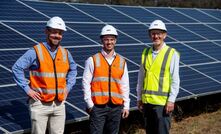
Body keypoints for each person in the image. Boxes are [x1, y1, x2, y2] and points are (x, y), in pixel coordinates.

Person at [12, 16, 77, 134]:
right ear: (46, 31)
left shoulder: (65, 53)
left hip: (59, 104)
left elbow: (74, 69)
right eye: (54, 32)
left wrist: (67, 88)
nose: (57, 35)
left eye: (60, 33)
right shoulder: (35, 51)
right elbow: (17, 68)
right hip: (40, 104)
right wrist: (27, 89)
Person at [82, 25, 130, 134]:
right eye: (106, 39)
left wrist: (126, 105)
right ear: (102, 40)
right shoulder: (92, 60)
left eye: (112, 39)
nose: (109, 42)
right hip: (98, 107)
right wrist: (90, 104)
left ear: (115, 41)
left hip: (116, 107)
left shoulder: (122, 61)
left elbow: (125, 85)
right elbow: (85, 83)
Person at [136, 20, 180, 134]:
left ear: (164, 35)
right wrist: (139, 98)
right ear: (150, 35)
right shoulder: (145, 53)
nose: (156, 36)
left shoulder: (171, 53)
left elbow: (175, 79)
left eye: (159, 33)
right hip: (147, 103)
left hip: (162, 104)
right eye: (153, 33)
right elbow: (141, 77)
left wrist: (171, 100)